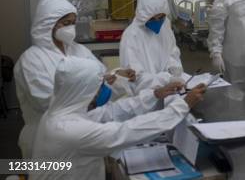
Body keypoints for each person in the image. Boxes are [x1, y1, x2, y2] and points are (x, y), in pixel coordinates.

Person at [31, 56, 206, 180]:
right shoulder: (68, 130)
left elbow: (114, 111)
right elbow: (127, 132)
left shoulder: (61, 112)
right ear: (82, 91)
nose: (104, 90)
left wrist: (155, 94)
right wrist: (182, 106)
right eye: (99, 86)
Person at [14, 0, 134, 159]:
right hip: (46, 140)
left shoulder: (79, 50)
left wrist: (117, 77)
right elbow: (48, 103)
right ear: (48, 24)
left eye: (73, 23)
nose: (71, 28)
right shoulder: (31, 60)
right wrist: (95, 93)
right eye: (66, 23)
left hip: (84, 133)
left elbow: (99, 80)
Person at [120, 0, 183, 91]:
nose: (158, 21)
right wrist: (165, 79)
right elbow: (136, 77)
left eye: (162, 17)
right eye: (153, 18)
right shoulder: (131, 35)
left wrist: (174, 72)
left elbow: (172, 52)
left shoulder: (165, 27)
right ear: (143, 16)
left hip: (169, 91)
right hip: (144, 97)